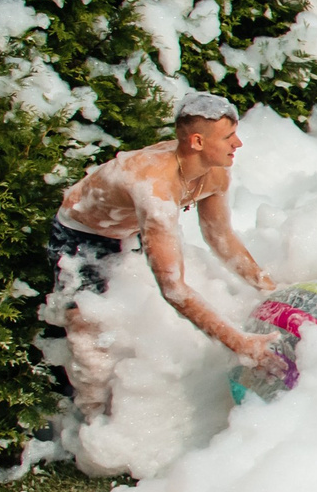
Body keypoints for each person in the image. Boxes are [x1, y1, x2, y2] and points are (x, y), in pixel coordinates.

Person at [49, 92, 280, 416]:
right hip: (83, 234)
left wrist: (267, 285)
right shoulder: (154, 186)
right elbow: (173, 289)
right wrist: (238, 342)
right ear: (198, 141)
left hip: (131, 228)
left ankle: (124, 400)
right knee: (88, 330)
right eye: (229, 136)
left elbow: (220, 237)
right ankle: (89, 421)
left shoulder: (215, 172)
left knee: (138, 310)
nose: (238, 144)